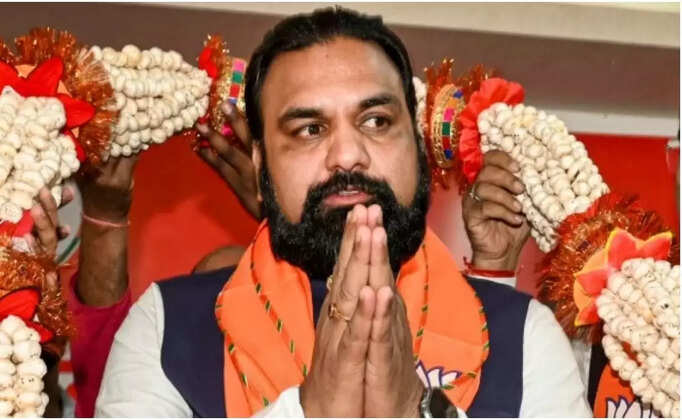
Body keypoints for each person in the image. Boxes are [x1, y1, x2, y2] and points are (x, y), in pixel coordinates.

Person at [93, 7, 589, 417]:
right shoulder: (168, 327)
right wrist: (309, 410)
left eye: (376, 121)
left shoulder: (523, 335)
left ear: (417, 147)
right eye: (309, 129)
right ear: (261, 163)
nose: (348, 155)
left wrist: (415, 408)